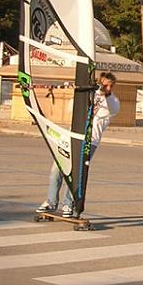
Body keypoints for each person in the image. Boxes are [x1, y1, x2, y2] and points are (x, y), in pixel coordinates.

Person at [36, 71, 120, 217]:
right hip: (72, 136)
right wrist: (86, 94)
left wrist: (101, 94)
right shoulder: (88, 96)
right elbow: (71, 109)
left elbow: (112, 109)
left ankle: (68, 204)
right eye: (104, 85)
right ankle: (51, 201)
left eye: (110, 86)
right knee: (57, 168)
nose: (107, 88)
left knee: (76, 172)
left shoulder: (113, 101)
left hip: (89, 140)